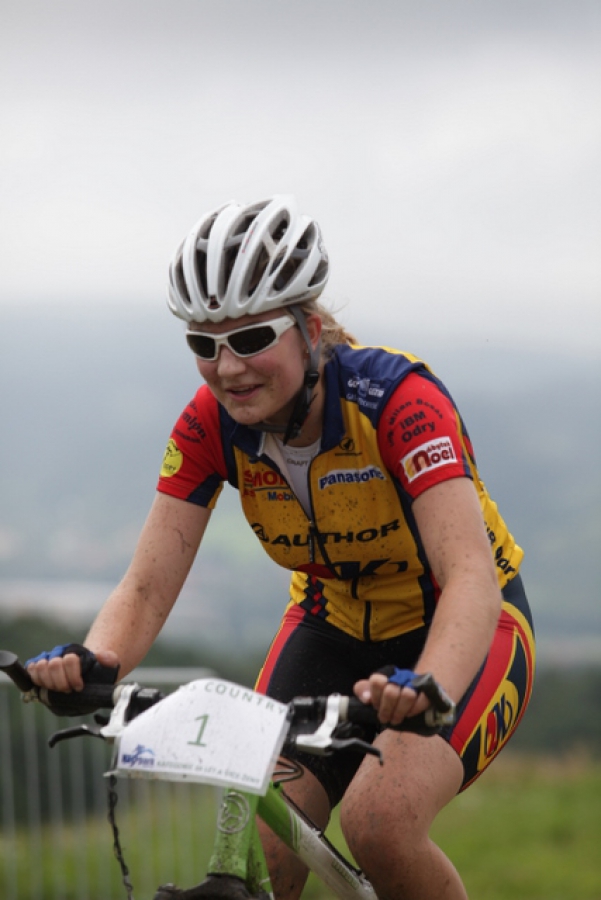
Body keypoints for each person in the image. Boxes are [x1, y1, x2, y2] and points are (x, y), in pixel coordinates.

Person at [27, 194, 535, 900]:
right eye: (203, 345)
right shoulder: (209, 425)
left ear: (310, 329)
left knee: (380, 824)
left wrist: (429, 684)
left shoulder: (398, 401)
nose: (227, 368)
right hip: (329, 628)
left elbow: (470, 576)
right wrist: (94, 659)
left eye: (251, 339)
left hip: (459, 627)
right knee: (264, 841)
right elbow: (146, 585)